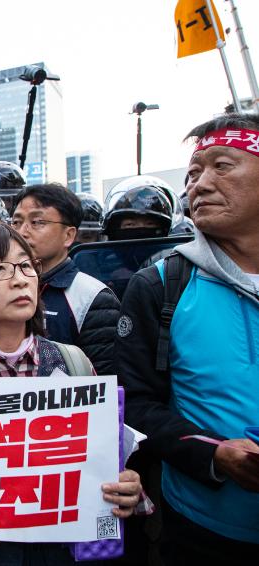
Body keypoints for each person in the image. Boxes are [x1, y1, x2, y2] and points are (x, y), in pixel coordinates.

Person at [0, 222, 143, 565]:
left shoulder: (74, 363)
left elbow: (104, 469)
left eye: (25, 265)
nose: (20, 279)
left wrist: (124, 487)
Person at [117, 113, 259, 565]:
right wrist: (215, 455)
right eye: (194, 173)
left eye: (223, 166)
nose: (200, 185)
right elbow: (135, 402)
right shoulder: (160, 284)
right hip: (202, 530)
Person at [11, 184, 120, 374]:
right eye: (16, 222)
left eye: (37, 222)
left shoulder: (93, 297)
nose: (22, 232)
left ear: (68, 235)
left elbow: (102, 380)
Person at [102, 177, 176, 241]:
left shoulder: (173, 253)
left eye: (150, 223)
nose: (141, 229)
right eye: (130, 224)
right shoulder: (103, 253)